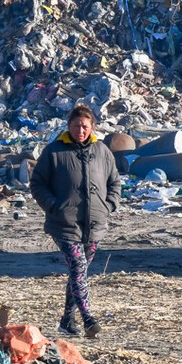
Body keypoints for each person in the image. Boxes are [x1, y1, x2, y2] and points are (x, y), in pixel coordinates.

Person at [29, 104, 121, 338]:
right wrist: (53, 206)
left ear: (92, 127)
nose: (80, 130)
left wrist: (109, 205)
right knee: (79, 268)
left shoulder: (101, 151)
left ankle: (67, 320)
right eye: (76, 125)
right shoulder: (54, 152)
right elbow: (37, 183)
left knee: (77, 273)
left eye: (85, 126)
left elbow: (115, 182)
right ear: (68, 125)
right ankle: (89, 319)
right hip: (64, 223)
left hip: (94, 223)